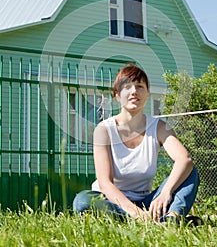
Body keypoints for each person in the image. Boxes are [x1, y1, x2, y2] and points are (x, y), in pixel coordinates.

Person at [73, 64, 200, 223]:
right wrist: (137, 214)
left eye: (140, 86)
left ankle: (172, 219)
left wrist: (166, 192)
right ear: (117, 95)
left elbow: (184, 159)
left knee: (190, 172)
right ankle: (157, 221)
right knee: (83, 201)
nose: (134, 91)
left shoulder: (159, 127)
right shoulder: (104, 130)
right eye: (127, 87)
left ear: (147, 93)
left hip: (146, 202)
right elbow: (105, 183)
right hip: (112, 201)